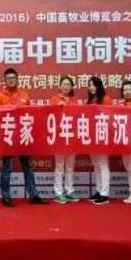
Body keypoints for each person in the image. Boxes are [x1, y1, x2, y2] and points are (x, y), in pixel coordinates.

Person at [0, 68, 46, 207]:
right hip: (8, 136)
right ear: (4, 80)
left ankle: (33, 195)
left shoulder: (24, 94)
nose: (11, 80)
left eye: (13, 78)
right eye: (8, 78)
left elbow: (30, 114)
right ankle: (6, 196)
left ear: (17, 79)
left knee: (28, 166)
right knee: (7, 167)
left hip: (23, 134)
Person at [50, 76, 80, 204]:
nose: (66, 87)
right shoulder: (54, 99)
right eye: (64, 84)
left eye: (68, 84)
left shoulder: (75, 101)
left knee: (70, 166)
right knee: (59, 166)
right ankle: (58, 192)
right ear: (60, 86)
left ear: (72, 87)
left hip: (71, 137)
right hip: (59, 136)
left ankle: (69, 191)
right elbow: (49, 115)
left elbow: (79, 118)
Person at [86, 76, 112, 205]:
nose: (91, 87)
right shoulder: (90, 100)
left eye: (94, 85)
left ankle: (105, 194)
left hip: (102, 134)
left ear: (99, 86)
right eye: (89, 85)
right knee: (96, 164)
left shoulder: (106, 99)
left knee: (102, 163)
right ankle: (99, 190)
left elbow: (109, 116)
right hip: (92, 136)